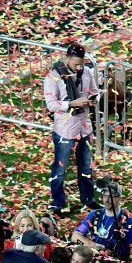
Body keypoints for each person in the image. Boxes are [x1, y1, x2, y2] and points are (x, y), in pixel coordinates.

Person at [45, 42, 100, 215]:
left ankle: (88, 199)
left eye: (81, 64)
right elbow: (51, 104)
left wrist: (93, 99)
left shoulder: (87, 72)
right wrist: (71, 104)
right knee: (60, 169)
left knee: (86, 167)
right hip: (65, 129)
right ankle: (58, 203)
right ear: (67, 58)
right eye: (76, 64)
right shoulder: (53, 76)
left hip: (85, 127)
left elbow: (95, 91)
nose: (78, 67)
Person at [70, 179, 132, 263]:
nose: (107, 200)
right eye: (105, 196)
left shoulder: (128, 222)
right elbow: (75, 236)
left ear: (119, 198)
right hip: (92, 260)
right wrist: (96, 246)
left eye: (111, 196)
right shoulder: (94, 215)